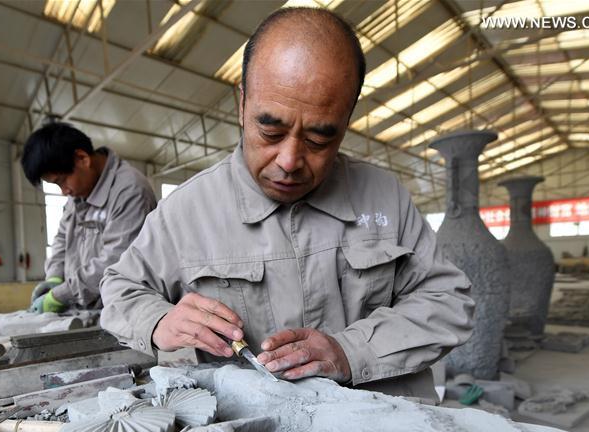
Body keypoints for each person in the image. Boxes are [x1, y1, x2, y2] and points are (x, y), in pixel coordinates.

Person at [99, 7, 474, 399]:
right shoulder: (186, 212)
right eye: (271, 130)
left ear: (346, 121)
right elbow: (121, 289)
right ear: (241, 103)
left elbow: (448, 301)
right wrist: (159, 320)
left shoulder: (384, 199)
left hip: (386, 429)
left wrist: (352, 351)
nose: (289, 161)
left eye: (318, 139)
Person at [21, 122, 157, 313]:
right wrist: (54, 278)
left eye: (61, 181)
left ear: (82, 158)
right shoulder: (78, 194)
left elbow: (116, 261)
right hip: (84, 308)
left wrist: (61, 295)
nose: (64, 192)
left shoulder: (129, 191)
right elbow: (61, 239)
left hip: (121, 311)